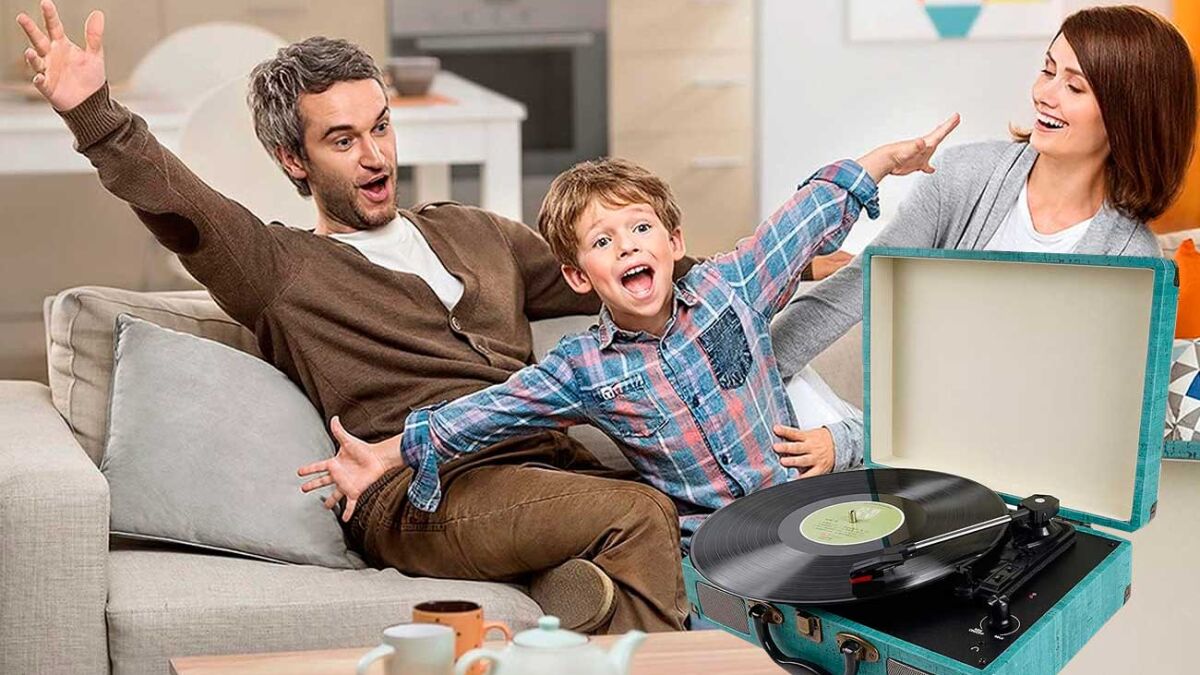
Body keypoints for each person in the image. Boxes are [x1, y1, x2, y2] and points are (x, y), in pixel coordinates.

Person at [17, 0, 694, 633]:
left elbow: (624, 271)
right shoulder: (279, 269)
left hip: (546, 468)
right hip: (421, 493)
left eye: (380, 127)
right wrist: (94, 115)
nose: (375, 156)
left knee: (696, 507)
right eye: (343, 141)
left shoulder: (477, 232)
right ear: (294, 159)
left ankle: (563, 581)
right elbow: (180, 204)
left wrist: (755, 272)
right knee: (640, 514)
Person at [299, 114, 959, 546]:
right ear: (578, 275)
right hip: (711, 546)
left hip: (805, 513)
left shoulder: (730, 286)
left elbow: (801, 221)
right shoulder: (583, 369)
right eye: (603, 240)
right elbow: (488, 412)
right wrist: (387, 454)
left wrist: (881, 160)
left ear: (674, 242)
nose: (627, 246)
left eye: (641, 227)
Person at [769, 4, 1198, 471]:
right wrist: (743, 375)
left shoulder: (1131, 259)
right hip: (892, 440)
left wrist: (853, 441)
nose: (1044, 95)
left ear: (1126, 114)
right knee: (761, 384)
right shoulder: (963, 176)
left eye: (1074, 87)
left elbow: (1046, 414)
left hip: (1003, 465)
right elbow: (854, 290)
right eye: (1048, 71)